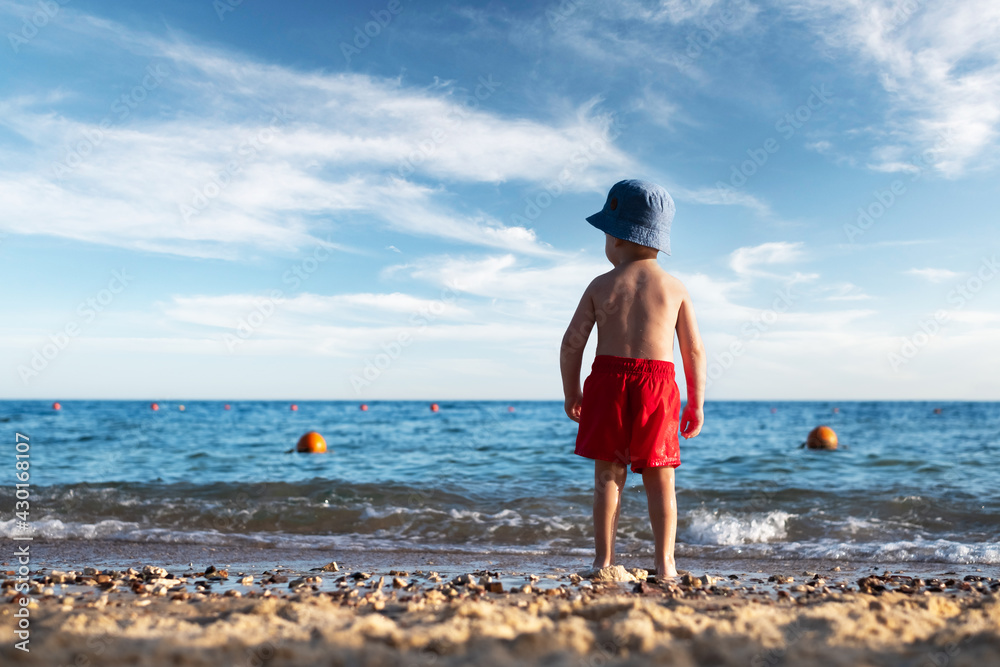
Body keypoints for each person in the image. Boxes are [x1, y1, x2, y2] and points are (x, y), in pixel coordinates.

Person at [560, 179, 706, 580]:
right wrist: (696, 402)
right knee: (662, 478)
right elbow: (693, 351)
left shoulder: (601, 285)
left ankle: (603, 561)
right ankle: (666, 563)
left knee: (608, 477)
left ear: (619, 239)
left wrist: (571, 391)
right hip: (657, 385)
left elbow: (572, 344)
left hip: (607, 382)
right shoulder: (674, 288)